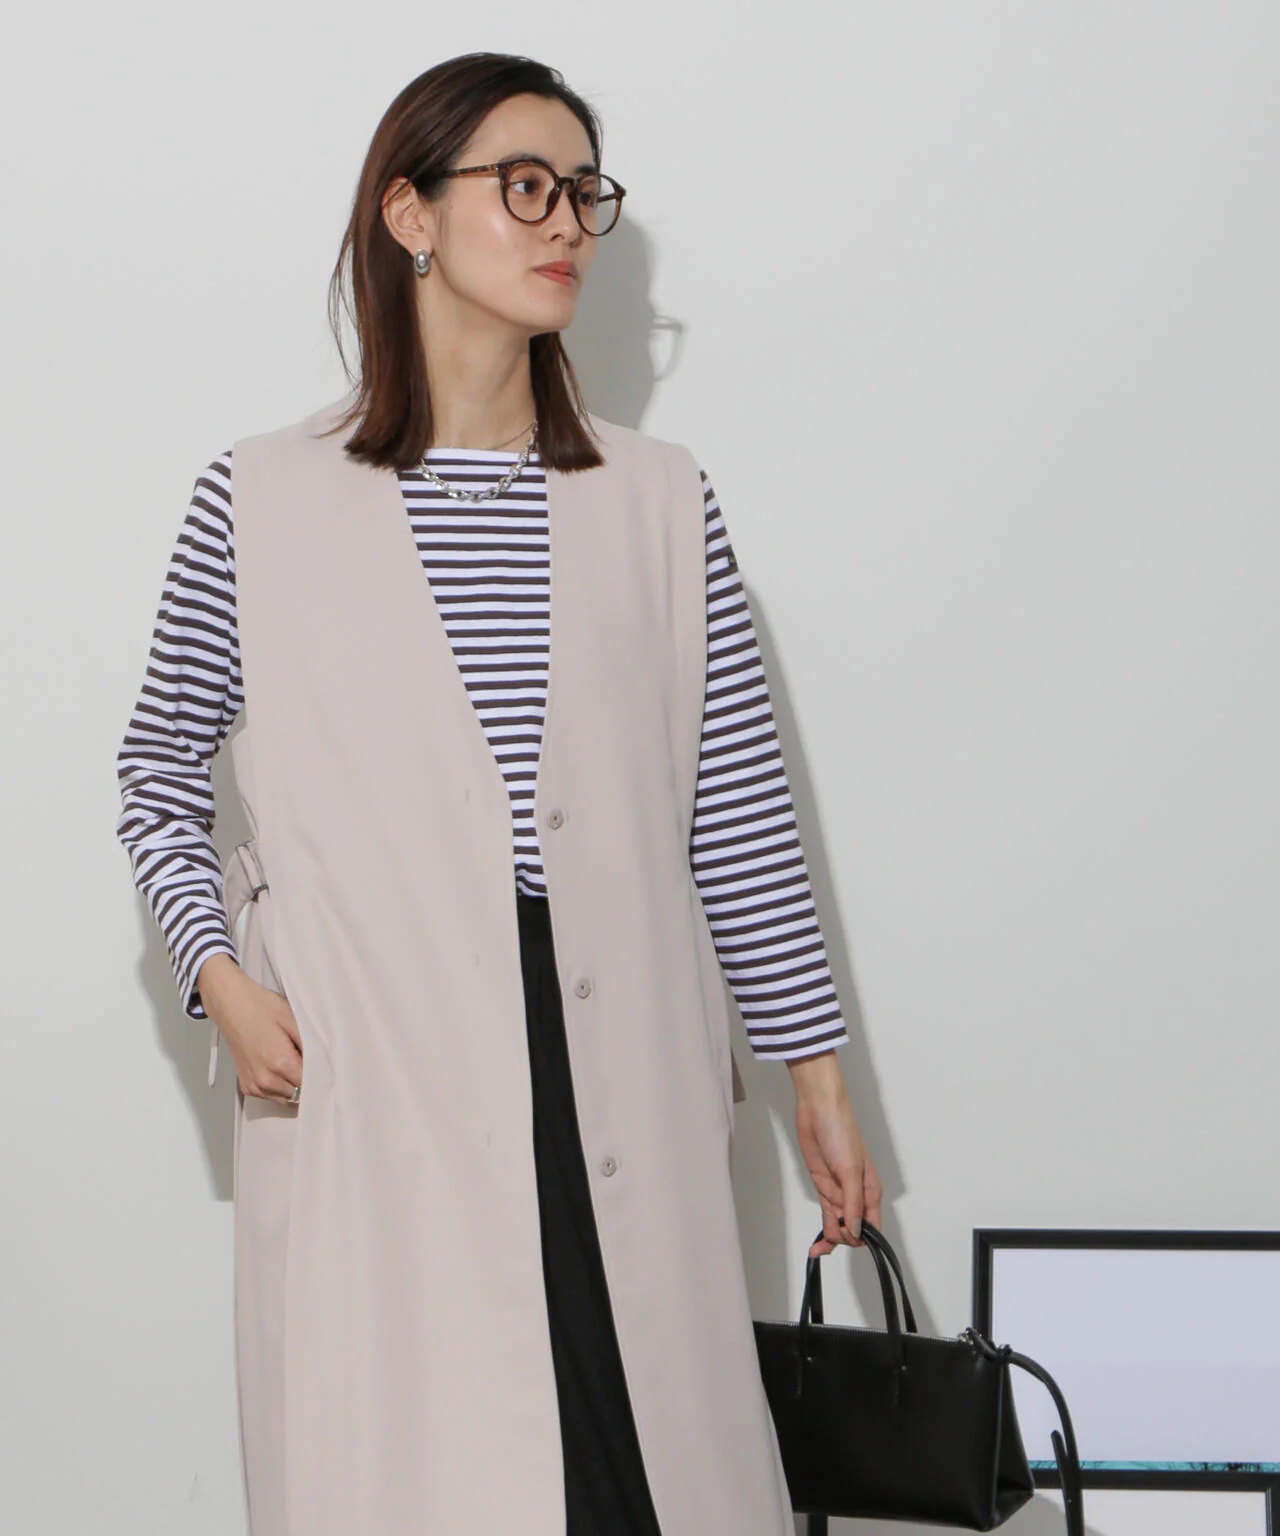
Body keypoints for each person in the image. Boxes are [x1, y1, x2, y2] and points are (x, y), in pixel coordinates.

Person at [116, 50, 883, 1536]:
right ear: (409, 215)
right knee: (414, 1468)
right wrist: (217, 978)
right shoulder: (257, 498)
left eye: (584, 192)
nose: (567, 224)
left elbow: (738, 808)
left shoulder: (659, 499)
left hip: (617, 1042)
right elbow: (158, 775)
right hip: (374, 1053)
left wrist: (819, 1076)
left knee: (631, 1466)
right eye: (524, 187)